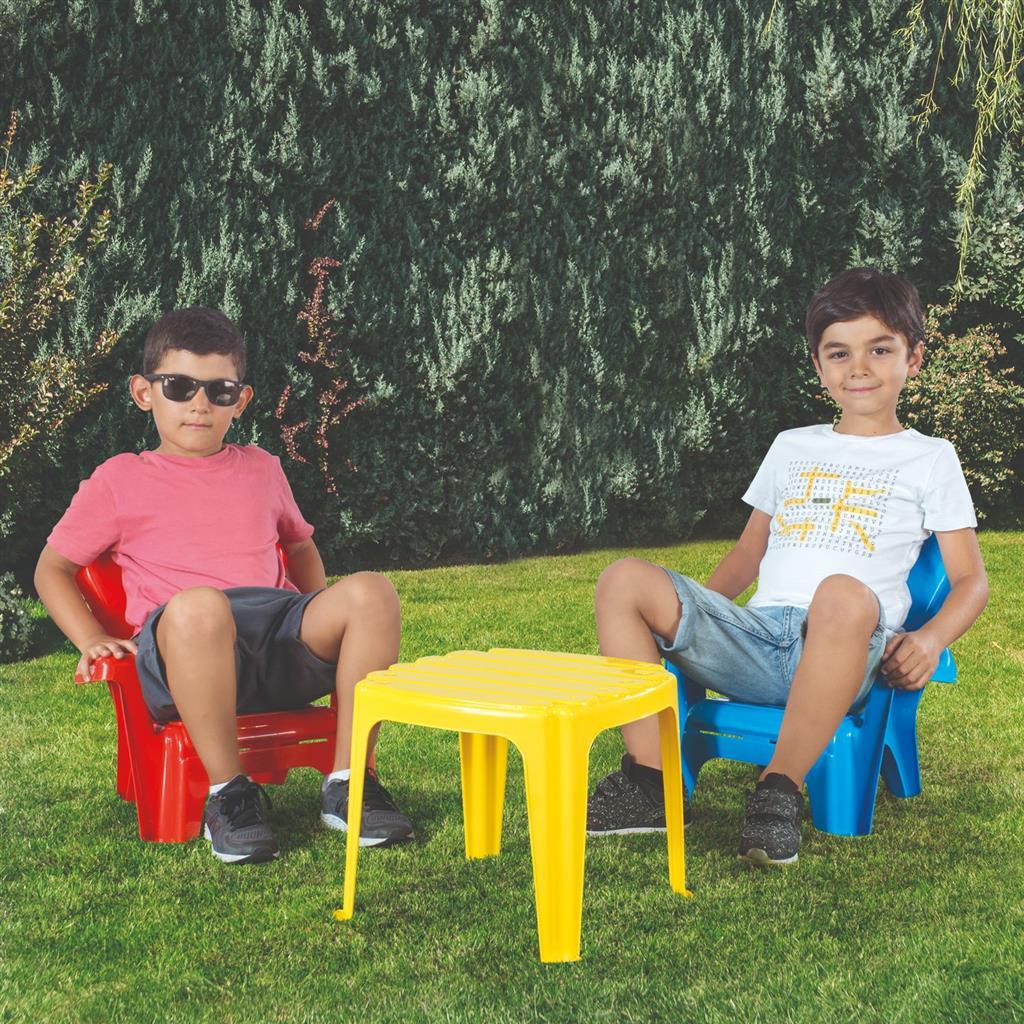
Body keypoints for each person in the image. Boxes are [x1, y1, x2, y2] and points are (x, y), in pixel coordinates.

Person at [585, 267, 989, 865]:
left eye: (880, 350)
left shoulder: (930, 458)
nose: (859, 368)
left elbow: (971, 580)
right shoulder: (792, 446)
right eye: (839, 353)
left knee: (842, 593)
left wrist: (929, 641)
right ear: (819, 367)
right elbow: (748, 553)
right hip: (756, 638)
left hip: (848, 646)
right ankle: (651, 782)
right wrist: (691, 617)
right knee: (623, 579)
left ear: (914, 357)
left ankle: (778, 790)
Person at [34, 307, 413, 864]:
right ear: (144, 392)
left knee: (373, 592)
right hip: (186, 654)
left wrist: (315, 608)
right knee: (201, 607)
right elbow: (52, 568)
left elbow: (300, 546)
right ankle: (230, 795)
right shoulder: (120, 479)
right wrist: (91, 639)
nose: (199, 403)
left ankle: (350, 781)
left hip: (276, 641)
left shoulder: (262, 468)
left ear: (241, 400)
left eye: (219, 390)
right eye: (179, 386)